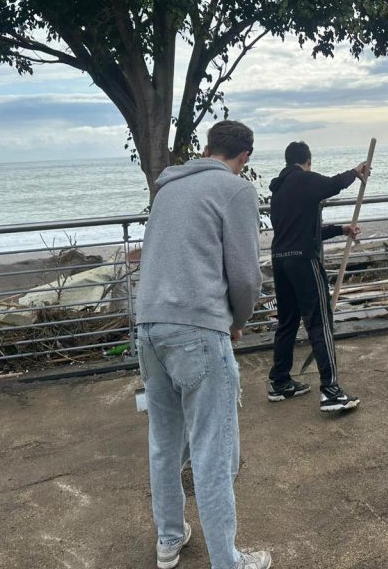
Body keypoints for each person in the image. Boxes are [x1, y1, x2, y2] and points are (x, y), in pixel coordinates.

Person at [135, 120, 271, 569]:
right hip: (198, 328)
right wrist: (238, 321)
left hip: (149, 327)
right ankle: (228, 561)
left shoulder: (168, 189)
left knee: (164, 443)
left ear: (209, 148)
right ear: (244, 157)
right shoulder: (236, 190)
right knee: (213, 449)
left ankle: (169, 539)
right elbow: (246, 275)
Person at [267, 141, 370, 411]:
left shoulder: (279, 190)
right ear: (308, 161)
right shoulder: (303, 179)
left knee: (288, 321)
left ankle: (279, 381)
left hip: (281, 261)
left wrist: (341, 229)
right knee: (319, 321)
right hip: (303, 261)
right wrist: (355, 172)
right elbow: (332, 185)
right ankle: (331, 392)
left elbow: (306, 231)